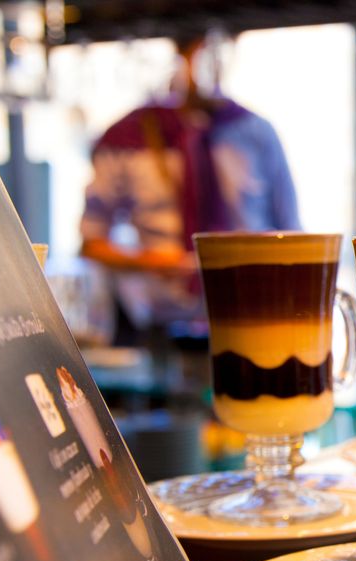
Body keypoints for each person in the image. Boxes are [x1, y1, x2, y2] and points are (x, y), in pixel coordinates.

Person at [80, 32, 301, 343]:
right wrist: (149, 261)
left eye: (209, 53)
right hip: (158, 328)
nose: (197, 69)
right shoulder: (126, 138)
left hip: (249, 316)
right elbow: (92, 242)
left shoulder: (254, 132)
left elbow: (292, 235)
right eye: (189, 57)